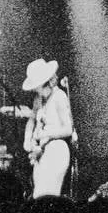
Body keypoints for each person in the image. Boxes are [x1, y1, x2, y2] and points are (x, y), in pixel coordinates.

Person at [22, 58, 75, 198]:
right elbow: (31, 120)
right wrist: (28, 139)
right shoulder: (38, 99)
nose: (34, 89)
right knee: (37, 196)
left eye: (36, 85)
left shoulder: (59, 96)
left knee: (47, 195)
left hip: (57, 149)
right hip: (41, 152)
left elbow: (68, 128)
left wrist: (46, 133)